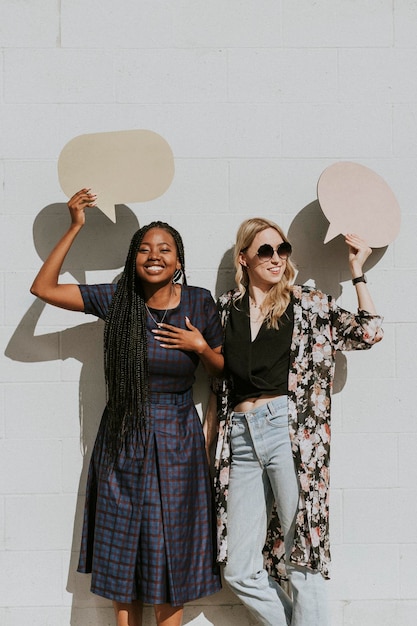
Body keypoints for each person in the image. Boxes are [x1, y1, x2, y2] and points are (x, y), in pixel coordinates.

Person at [30, 188, 223, 626]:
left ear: (178, 260)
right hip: (123, 434)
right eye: (144, 248)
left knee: (172, 541)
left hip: (177, 437)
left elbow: (223, 370)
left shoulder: (199, 302)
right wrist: (76, 225)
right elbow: (43, 288)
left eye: (164, 249)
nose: (153, 255)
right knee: (124, 541)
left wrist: (199, 345)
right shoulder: (117, 300)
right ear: (133, 257)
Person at [207, 217, 383, 626]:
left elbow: (369, 333)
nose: (275, 258)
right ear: (244, 258)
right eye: (265, 250)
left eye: (282, 249)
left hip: (289, 431)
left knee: (302, 553)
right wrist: (210, 439)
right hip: (239, 437)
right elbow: (218, 384)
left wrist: (357, 271)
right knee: (237, 568)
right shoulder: (225, 308)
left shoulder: (307, 302)